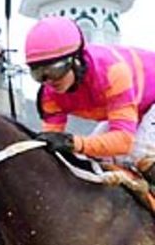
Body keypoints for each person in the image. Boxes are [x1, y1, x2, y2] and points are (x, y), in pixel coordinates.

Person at [24, 16, 155, 182]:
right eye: (38, 73)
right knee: (98, 160)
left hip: (148, 104)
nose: (49, 81)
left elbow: (123, 141)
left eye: (54, 70)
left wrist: (73, 143)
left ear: (76, 59)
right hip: (137, 107)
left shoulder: (112, 72)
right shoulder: (49, 96)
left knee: (138, 154)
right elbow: (52, 144)